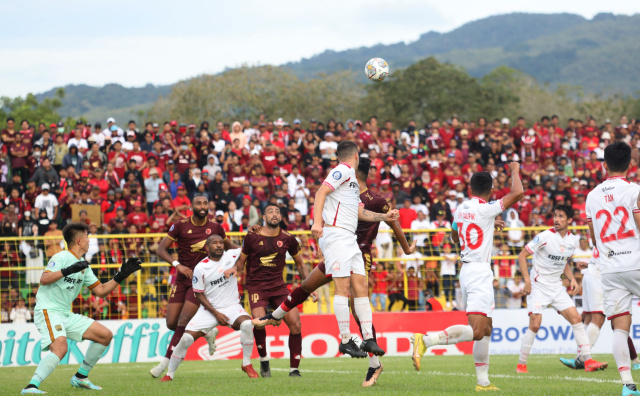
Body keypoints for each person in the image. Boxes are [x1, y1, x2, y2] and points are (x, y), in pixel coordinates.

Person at [252, 155, 413, 387]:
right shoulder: (345, 190)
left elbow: (392, 222)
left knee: (355, 306)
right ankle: (274, 315)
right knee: (307, 285)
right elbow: (326, 199)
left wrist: (406, 247)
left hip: (358, 253)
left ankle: (373, 364)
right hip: (338, 250)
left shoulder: (372, 198)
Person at [411, 162, 524, 392]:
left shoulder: (462, 208)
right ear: (491, 191)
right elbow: (518, 193)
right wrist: (514, 170)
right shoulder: (488, 209)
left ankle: (483, 382)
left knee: (487, 328)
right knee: (477, 330)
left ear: (471, 189)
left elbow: (455, 236)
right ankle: (426, 341)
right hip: (479, 272)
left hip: (467, 269)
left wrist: (489, 225)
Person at [21, 223, 141, 394]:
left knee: (104, 335)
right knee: (60, 348)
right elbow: (44, 279)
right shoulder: (61, 256)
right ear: (79, 240)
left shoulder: (84, 266)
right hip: (48, 310)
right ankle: (31, 386)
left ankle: (81, 377)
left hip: (64, 314)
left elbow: (100, 291)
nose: (89, 240)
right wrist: (68, 270)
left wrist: (121, 275)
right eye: (87, 237)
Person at [149, 194, 239, 379]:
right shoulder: (180, 225)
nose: (202, 206)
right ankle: (207, 331)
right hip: (182, 278)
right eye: (198, 203)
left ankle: (165, 364)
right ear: (191, 207)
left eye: (205, 203)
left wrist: (248, 250)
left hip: (201, 281)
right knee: (172, 323)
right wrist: (177, 265)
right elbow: (160, 249)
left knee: (183, 321)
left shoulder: (215, 227)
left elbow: (231, 247)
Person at [224, 204, 316, 378]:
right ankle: (264, 360)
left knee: (295, 323)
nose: (274, 214)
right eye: (270, 212)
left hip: (278, 287)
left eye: (277, 212)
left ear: (280, 217)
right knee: (259, 322)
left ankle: (294, 370)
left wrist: (309, 285)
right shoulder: (252, 236)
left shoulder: (288, 238)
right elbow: (241, 261)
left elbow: (300, 264)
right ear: (263, 217)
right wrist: (234, 269)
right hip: (256, 286)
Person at [515, 205, 607, 373]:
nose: (556, 219)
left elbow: (563, 262)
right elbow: (521, 256)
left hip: (556, 287)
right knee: (535, 325)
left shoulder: (572, 240)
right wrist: (527, 280)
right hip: (538, 286)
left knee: (576, 319)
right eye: (555, 216)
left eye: (561, 216)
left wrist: (572, 279)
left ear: (569, 220)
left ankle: (587, 361)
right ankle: (521, 364)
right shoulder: (544, 236)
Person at [160, 235, 257, 380]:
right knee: (186, 339)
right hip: (209, 310)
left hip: (232, 306)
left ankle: (246, 364)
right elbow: (199, 295)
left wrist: (252, 233)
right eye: (214, 243)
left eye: (220, 243)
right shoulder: (200, 267)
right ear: (207, 248)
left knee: (247, 324)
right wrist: (216, 313)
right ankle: (169, 374)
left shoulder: (232, 254)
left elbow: (249, 250)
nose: (218, 245)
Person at [585, 142, 640, 396]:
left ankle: (628, 386)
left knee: (620, 327)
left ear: (604, 165)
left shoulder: (592, 195)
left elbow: (594, 237)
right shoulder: (634, 190)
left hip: (609, 267)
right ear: (630, 164)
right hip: (636, 261)